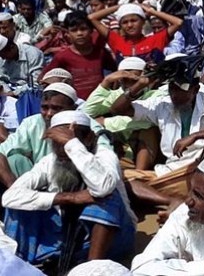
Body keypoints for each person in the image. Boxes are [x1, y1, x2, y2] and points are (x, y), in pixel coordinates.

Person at [2, 110, 135, 268]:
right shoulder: (49, 161)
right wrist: (69, 198)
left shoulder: (104, 155)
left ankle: (92, 268)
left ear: (89, 137)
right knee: (19, 205)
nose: (62, 148)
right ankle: (21, 264)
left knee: (106, 198)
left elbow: (102, 187)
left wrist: (73, 145)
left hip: (114, 239)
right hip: (65, 236)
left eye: (69, 139)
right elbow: (9, 197)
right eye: (58, 141)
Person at [108, 57, 204, 203]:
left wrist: (196, 136)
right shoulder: (162, 104)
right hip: (170, 171)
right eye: (172, 88)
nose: (175, 94)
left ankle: (166, 196)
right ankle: (170, 200)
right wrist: (141, 83)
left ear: (195, 89)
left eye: (181, 89)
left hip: (198, 169)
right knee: (118, 180)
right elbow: (117, 109)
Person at [0, 83, 111, 187]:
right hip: (38, 182)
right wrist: (12, 186)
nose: (49, 114)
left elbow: (105, 159)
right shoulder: (32, 123)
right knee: (15, 159)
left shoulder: (89, 126)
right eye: (45, 108)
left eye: (56, 108)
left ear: (73, 108)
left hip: (80, 184)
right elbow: (2, 152)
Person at [41, 12, 116, 100]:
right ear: (67, 34)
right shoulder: (62, 56)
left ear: (91, 30)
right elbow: (44, 79)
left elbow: (114, 72)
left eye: (83, 29)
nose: (79, 33)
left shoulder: (101, 52)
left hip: (100, 102)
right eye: (74, 30)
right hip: (76, 104)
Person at [89, 3, 183, 65]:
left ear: (142, 22)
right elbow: (92, 17)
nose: (129, 25)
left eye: (134, 20)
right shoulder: (116, 41)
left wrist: (152, 11)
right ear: (120, 25)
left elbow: (178, 22)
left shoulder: (155, 39)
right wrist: (120, 6)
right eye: (125, 22)